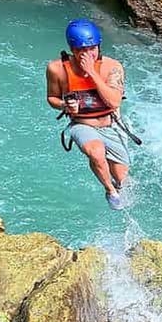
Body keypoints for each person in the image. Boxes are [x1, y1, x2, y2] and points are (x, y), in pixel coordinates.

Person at [46, 18, 130, 210]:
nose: (88, 54)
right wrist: (65, 106)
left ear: (99, 46)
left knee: (122, 178)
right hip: (82, 124)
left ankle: (117, 185)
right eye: (81, 50)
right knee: (96, 153)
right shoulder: (56, 69)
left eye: (92, 48)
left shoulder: (112, 67)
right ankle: (110, 190)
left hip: (111, 124)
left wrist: (91, 72)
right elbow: (51, 98)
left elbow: (114, 102)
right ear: (72, 50)